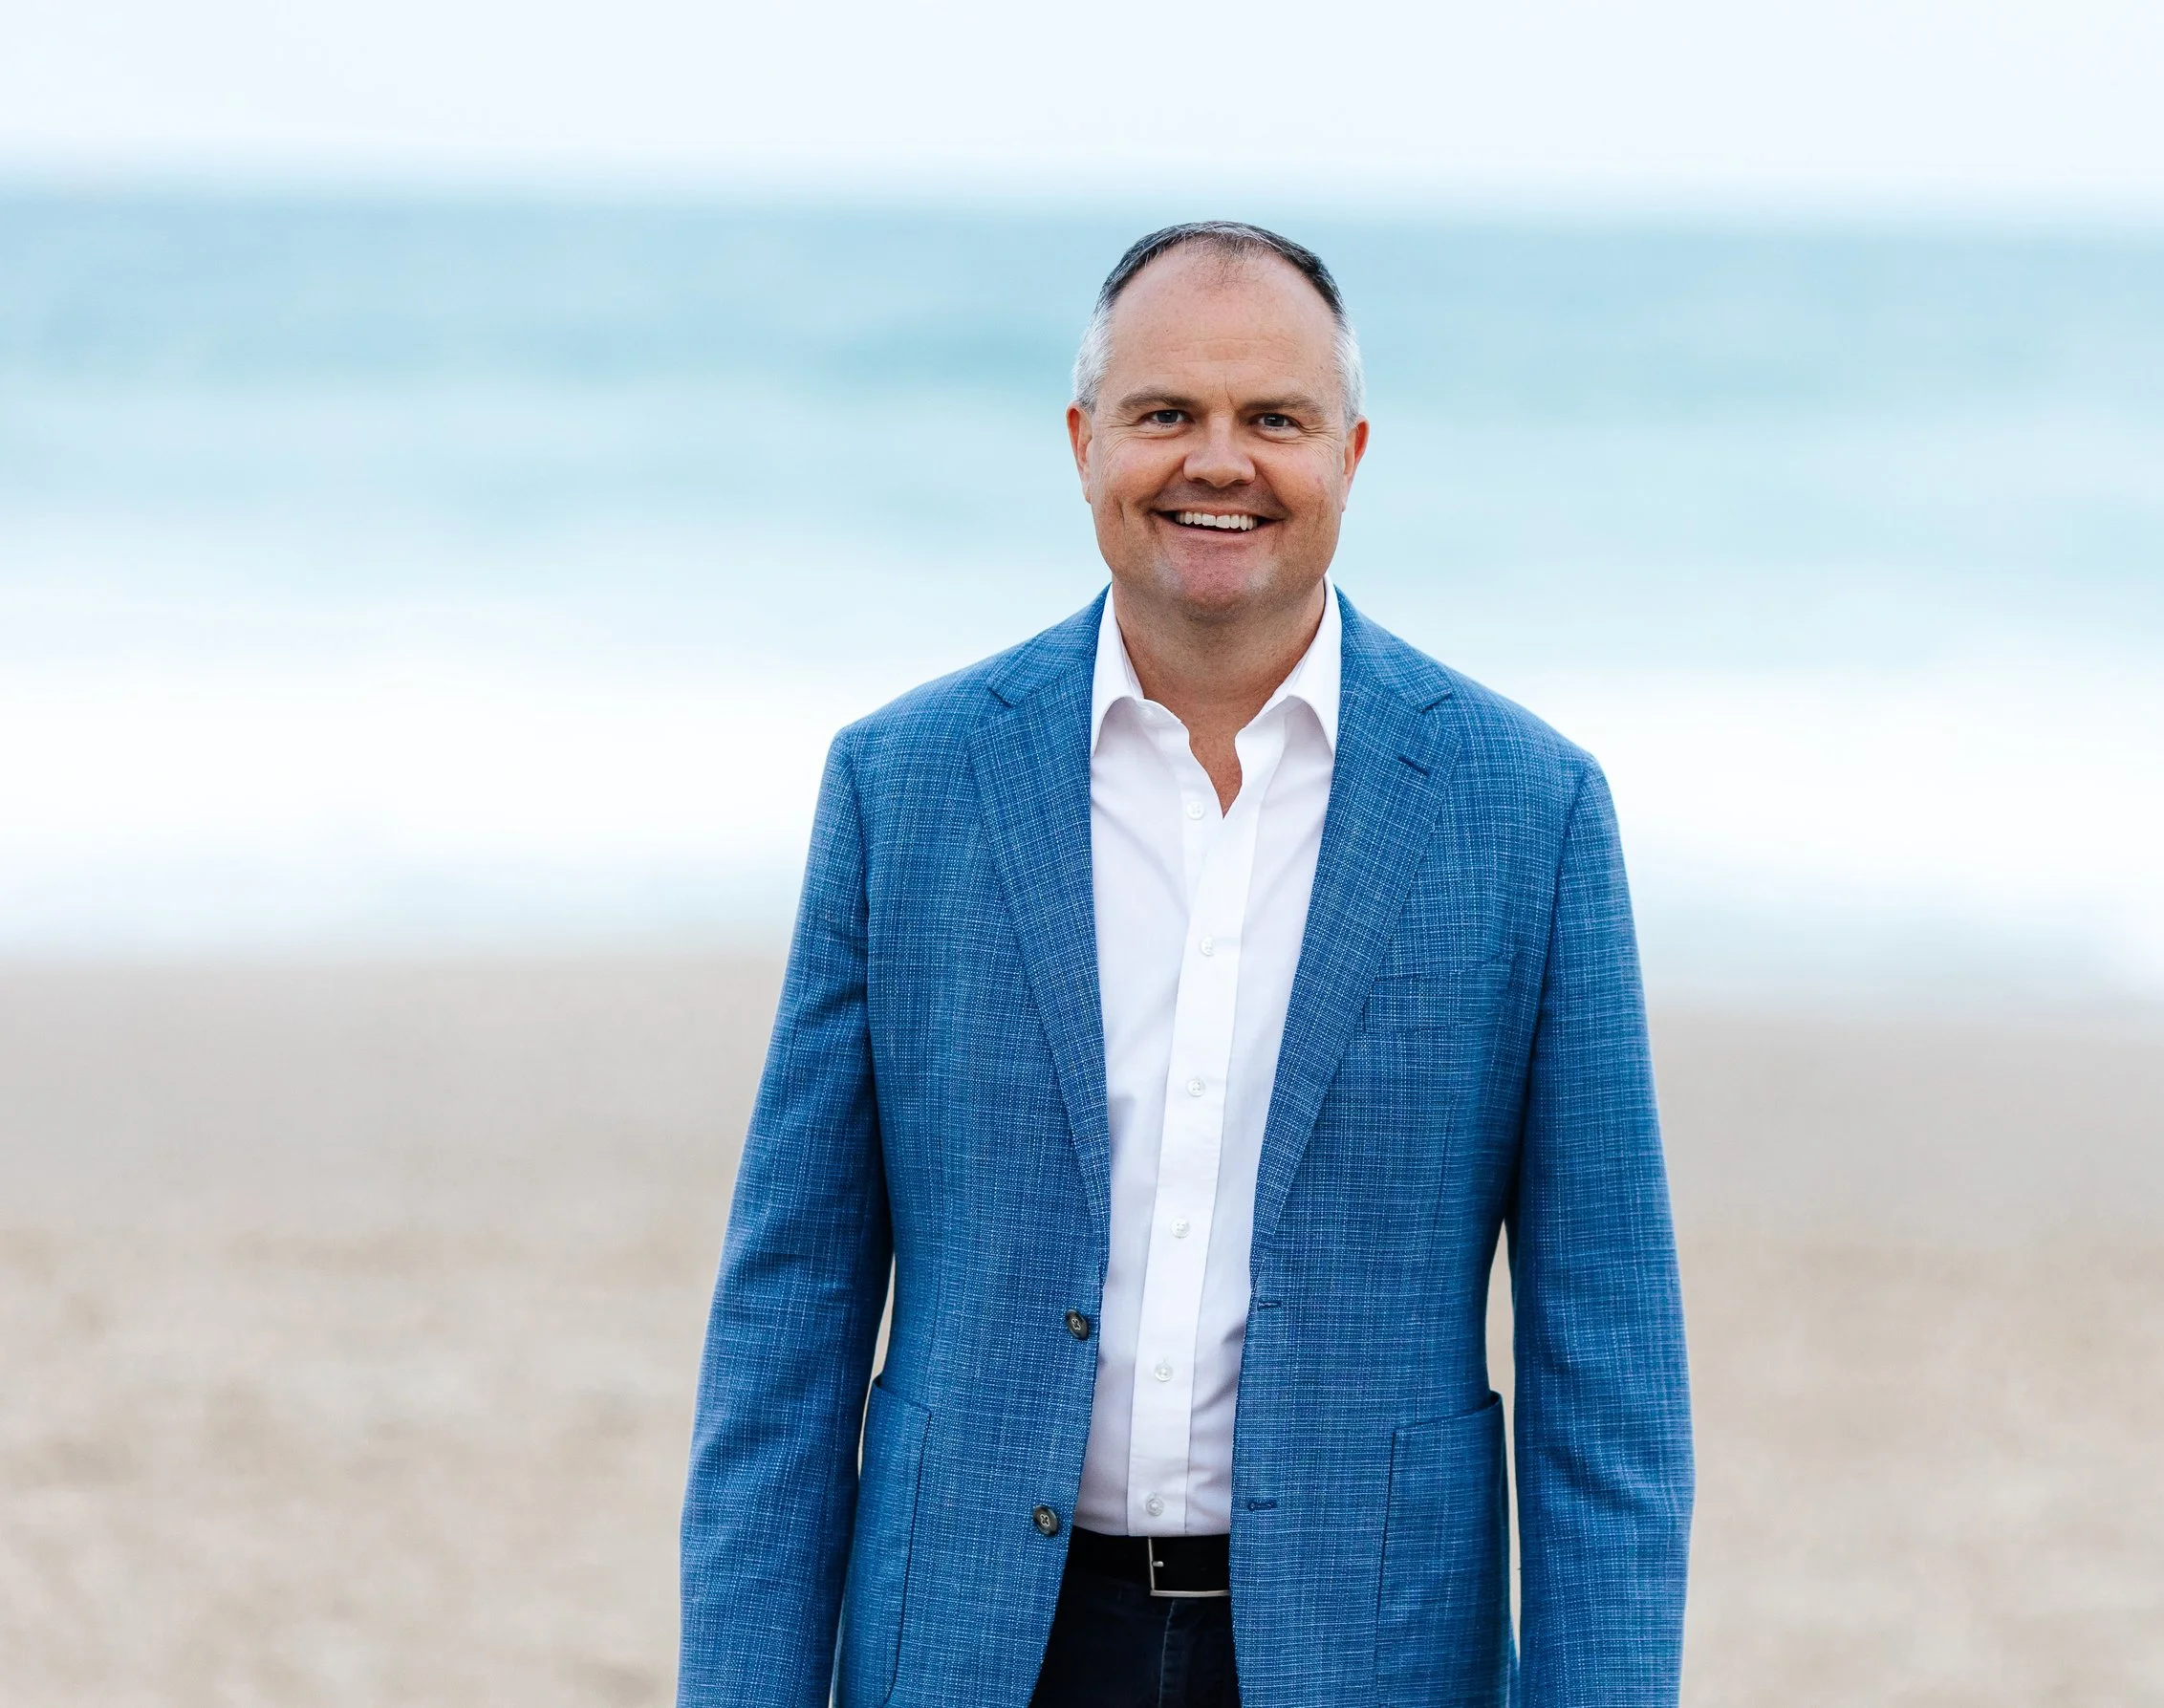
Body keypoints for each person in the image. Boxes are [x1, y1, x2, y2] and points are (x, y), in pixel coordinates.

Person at [678, 222, 1693, 1708]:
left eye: (1273, 418)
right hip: (971, 1646)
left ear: (1349, 454)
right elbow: (787, 1328)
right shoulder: (907, 787)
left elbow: (1605, 1377)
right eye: (1167, 413)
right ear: (1084, 442)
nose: (1221, 461)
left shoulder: (1527, 812)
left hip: (1374, 1654)